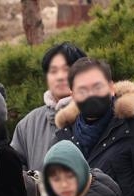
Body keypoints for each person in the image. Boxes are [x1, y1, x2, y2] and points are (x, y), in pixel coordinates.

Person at [53, 57, 134, 196]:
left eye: (97, 87)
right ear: (72, 95)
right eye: (83, 90)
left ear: (111, 87)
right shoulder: (64, 138)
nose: (91, 95)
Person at [11, 42, 86, 171]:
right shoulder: (28, 124)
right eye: (53, 71)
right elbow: (12, 172)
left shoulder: (95, 115)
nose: (60, 77)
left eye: (67, 69)